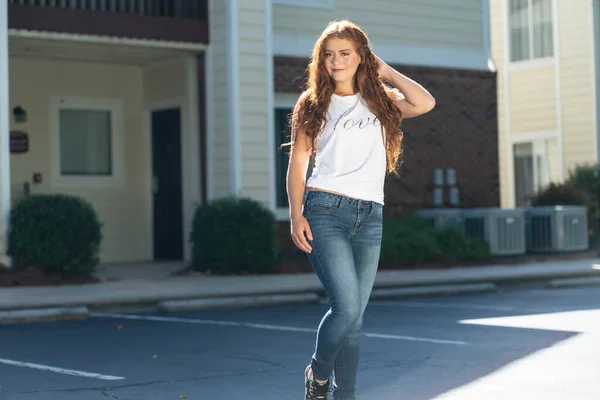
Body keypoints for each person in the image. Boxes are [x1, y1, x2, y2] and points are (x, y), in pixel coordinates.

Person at [285, 19, 435, 400]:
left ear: (360, 57)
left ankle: (344, 395)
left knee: (354, 319)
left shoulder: (381, 102)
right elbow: (298, 164)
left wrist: (385, 71)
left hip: (370, 216)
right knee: (347, 307)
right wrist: (295, 214)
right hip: (324, 209)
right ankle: (318, 375)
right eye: (330, 55)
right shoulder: (313, 103)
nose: (336, 62)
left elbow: (425, 102)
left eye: (345, 54)